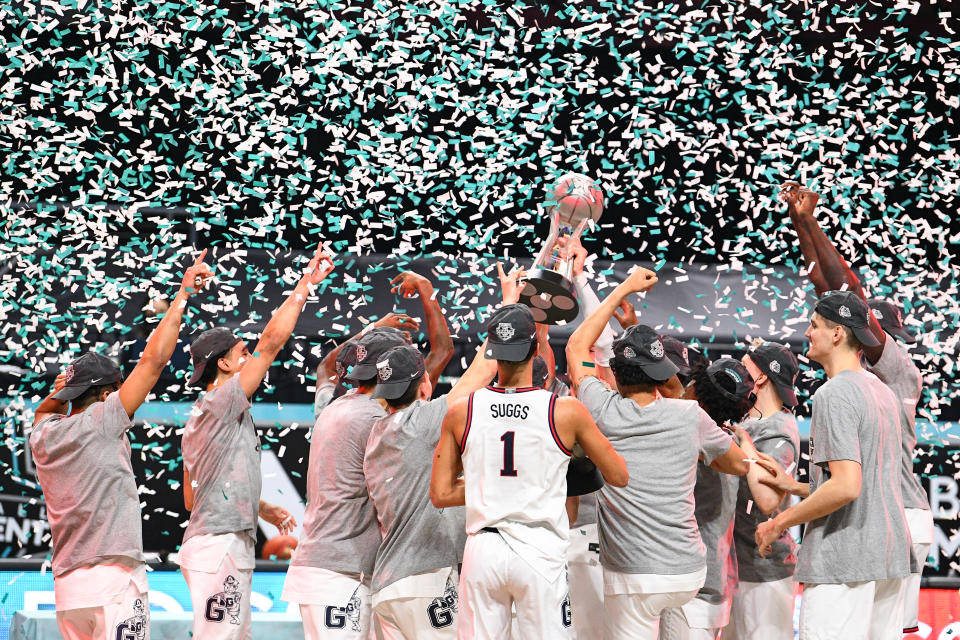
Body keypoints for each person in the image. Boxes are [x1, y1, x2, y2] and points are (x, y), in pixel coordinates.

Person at [565, 266, 763, 640]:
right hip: (686, 571)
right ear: (660, 374)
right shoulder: (690, 416)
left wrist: (623, 287)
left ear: (615, 373)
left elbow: (577, 346)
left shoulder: (600, 409)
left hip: (633, 572)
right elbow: (737, 464)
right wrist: (732, 449)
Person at [31, 251, 211, 640]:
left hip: (67, 587)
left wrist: (60, 389)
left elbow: (43, 410)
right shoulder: (104, 419)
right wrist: (182, 294)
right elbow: (153, 361)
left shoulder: (42, 436)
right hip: (113, 578)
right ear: (110, 392)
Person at [431, 301, 629, 640]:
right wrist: (541, 475)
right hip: (539, 549)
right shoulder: (565, 410)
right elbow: (618, 475)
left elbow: (440, 495)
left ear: (492, 351)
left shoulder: (461, 410)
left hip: (483, 550)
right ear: (536, 349)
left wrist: (492, 483)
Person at [783, 182, 931, 633]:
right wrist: (800, 226)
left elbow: (848, 298)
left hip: (888, 515)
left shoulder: (895, 373)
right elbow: (835, 297)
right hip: (893, 518)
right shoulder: (868, 382)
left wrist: (809, 222)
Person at [283, 270, 454, 639]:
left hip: (334, 565)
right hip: (342, 569)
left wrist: (371, 332)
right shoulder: (384, 418)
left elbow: (327, 367)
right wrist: (427, 291)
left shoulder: (332, 404)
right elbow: (443, 354)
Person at [180, 245, 334, 640]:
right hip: (220, 547)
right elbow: (271, 341)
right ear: (225, 364)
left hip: (217, 541)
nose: (252, 358)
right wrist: (305, 284)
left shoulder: (205, 413)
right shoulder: (224, 399)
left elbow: (191, 498)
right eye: (242, 353)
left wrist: (258, 505)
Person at [755, 291, 913, 638]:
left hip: (845, 560)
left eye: (814, 326)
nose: (808, 333)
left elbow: (846, 486)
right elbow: (864, 481)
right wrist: (794, 486)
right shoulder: (881, 389)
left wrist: (777, 523)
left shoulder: (834, 393)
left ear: (837, 333)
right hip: (887, 557)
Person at [363, 337, 497, 639]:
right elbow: (484, 370)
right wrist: (508, 305)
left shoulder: (377, 433)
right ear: (424, 384)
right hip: (426, 581)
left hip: (388, 585)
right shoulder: (421, 423)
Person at [722, 342, 801, 640]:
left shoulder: (779, 429)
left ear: (762, 377)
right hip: (737, 567)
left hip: (765, 572)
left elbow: (768, 501)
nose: (739, 371)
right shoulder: (746, 421)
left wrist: (745, 445)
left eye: (745, 365)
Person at [313, 311, 420, 418]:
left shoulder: (325, 407)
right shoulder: (379, 422)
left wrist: (374, 327)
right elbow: (436, 354)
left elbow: (326, 366)